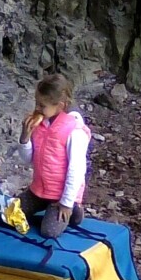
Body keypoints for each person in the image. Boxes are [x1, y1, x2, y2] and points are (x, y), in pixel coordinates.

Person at [16, 74, 91, 238]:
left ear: (60, 105)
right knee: (10, 215)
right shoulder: (40, 124)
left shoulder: (74, 131)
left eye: (42, 105)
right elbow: (29, 159)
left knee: (48, 232)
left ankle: (74, 210)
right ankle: (46, 207)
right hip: (39, 189)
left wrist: (66, 202)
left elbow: (76, 170)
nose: (37, 109)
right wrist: (25, 137)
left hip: (60, 194)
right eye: (36, 103)